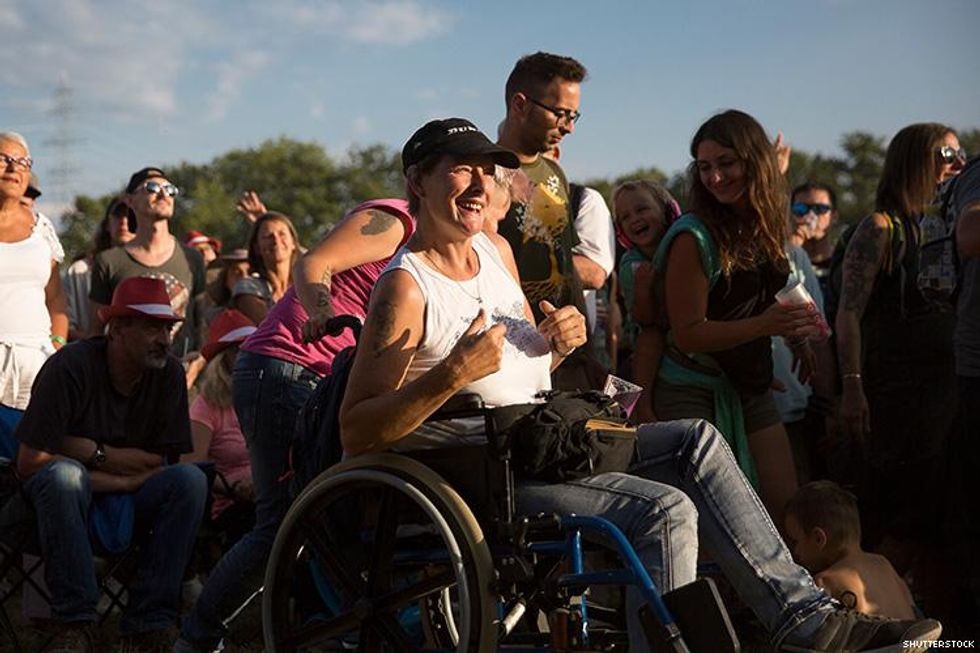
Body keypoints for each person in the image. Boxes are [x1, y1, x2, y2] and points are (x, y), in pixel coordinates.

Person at [339, 117, 941, 653]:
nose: (477, 186)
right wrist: (450, 375)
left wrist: (557, 345)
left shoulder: (495, 250)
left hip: (541, 440)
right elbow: (358, 430)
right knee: (663, 509)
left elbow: (519, 373)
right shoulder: (406, 287)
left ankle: (804, 620)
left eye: (486, 172)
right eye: (458, 171)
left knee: (697, 441)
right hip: (482, 476)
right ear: (417, 182)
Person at [174, 196, 417, 653]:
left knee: (329, 513)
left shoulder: (455, 251)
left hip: (323, 377)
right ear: (424, 179)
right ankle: (196, 640)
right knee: (284, 521)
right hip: (285, 366)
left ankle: (325, 630)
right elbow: (316, 262)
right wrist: (321, 310)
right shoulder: (396, 219)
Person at [12, 276, 207, 653]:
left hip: (128, 498)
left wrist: (85, 451)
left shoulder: (167, 373)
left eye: (168, 328)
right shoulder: (70, 366)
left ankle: (150, 622)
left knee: (190, 481)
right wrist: (116, 470)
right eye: (153, 327)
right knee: (64, 477)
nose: (165, 340)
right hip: (58, 505)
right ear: (116, 329)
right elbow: (30, 463)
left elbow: (161, 463)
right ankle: (75, 623)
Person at [650, 110, 819, 524]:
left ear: (754, 162)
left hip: (749, 384)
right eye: (705, 167)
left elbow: (762, 294)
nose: (716, 178)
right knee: (720, 529)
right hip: (692, 389)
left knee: (787, 515)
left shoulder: (763, 222)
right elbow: (688, 333)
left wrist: (794, 339)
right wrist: (766, 327)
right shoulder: (694, 236)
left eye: (727, 163)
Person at [835, 123, 963, 553]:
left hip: (947, 389)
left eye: (961, 155)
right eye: (947, 155)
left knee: (938, 511)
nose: (958, 165)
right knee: (892, 512)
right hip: (893, 395)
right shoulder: (880, 227)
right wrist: (852, 386)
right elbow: (848, 312)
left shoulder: (952, 225)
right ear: (915, 161)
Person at [89, 167, 206, 359]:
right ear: (129, 200)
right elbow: (96, 333)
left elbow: (201, 325)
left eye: (170, 189)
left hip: (182, 376)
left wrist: (197, 366)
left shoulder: (192, 258)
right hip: (127, 376)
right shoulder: (109, 261)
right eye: (152, 188)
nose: (163, 194)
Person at [0, 131, 68, 457]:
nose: (13, 168)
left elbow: (56, 301)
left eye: (22, 161)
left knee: (31, 462)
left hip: (36, 367)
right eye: (4, 159)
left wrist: (56, 348)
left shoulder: (41, 228)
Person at [784, 481, 916, 620]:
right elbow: (910, 605)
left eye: (795, 541)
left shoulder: (824, 581)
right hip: (916, 639)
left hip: (884, 642)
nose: (794, 551)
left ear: (818, 538)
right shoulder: (883, 563)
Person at [612, 179, 680, 421]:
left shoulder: (683, 246)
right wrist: (643, 289)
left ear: (666, 210)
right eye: (625, 217)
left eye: (642, 210)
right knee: (649, 339)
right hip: (643, 332)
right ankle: (644, 406)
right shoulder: (632, 264)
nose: (635, 220)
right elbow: (644, 318)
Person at [180, 309, 256, 520]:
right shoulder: (205, 407)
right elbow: (191, 469)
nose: (249, 356)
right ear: (222, 361)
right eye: (239, 350)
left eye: (253, 348)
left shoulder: (263, 397)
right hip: (232, 505)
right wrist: (235, 486)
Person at [64, 198, 137, 341]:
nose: (124, 221)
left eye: (130, 216)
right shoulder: (80, 271)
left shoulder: (152, 269)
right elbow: (64, 325)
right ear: (107, 224)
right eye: (118, 215)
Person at [231, 211, 301, 324]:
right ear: (257, 248)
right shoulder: (247, 288)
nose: (276, 241)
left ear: (293, 243)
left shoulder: (306, 286)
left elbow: (318, 260)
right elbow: (270, 326)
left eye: (282, 234)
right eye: (267, 236)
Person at [789, 182, 841, 293]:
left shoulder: (843, 261)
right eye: (800, 209)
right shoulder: (786, 257)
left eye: (820, 209)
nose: (810, 216)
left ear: (834, 217)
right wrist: (790, 250)